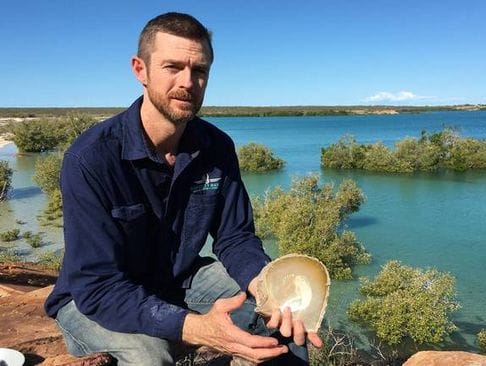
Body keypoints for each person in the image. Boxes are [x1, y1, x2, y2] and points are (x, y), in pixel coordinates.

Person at [44, 12, 321, 365]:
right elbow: (99, 286)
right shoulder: (91, 159)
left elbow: (236, 238)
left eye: (200, 71)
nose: (188, 82)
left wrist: (266, 288)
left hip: (181, 281)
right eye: (172, 67)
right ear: (139, 70)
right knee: (149, 355)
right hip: (93, 298)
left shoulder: (216, 147)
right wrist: (196, 328)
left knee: (280, 316)